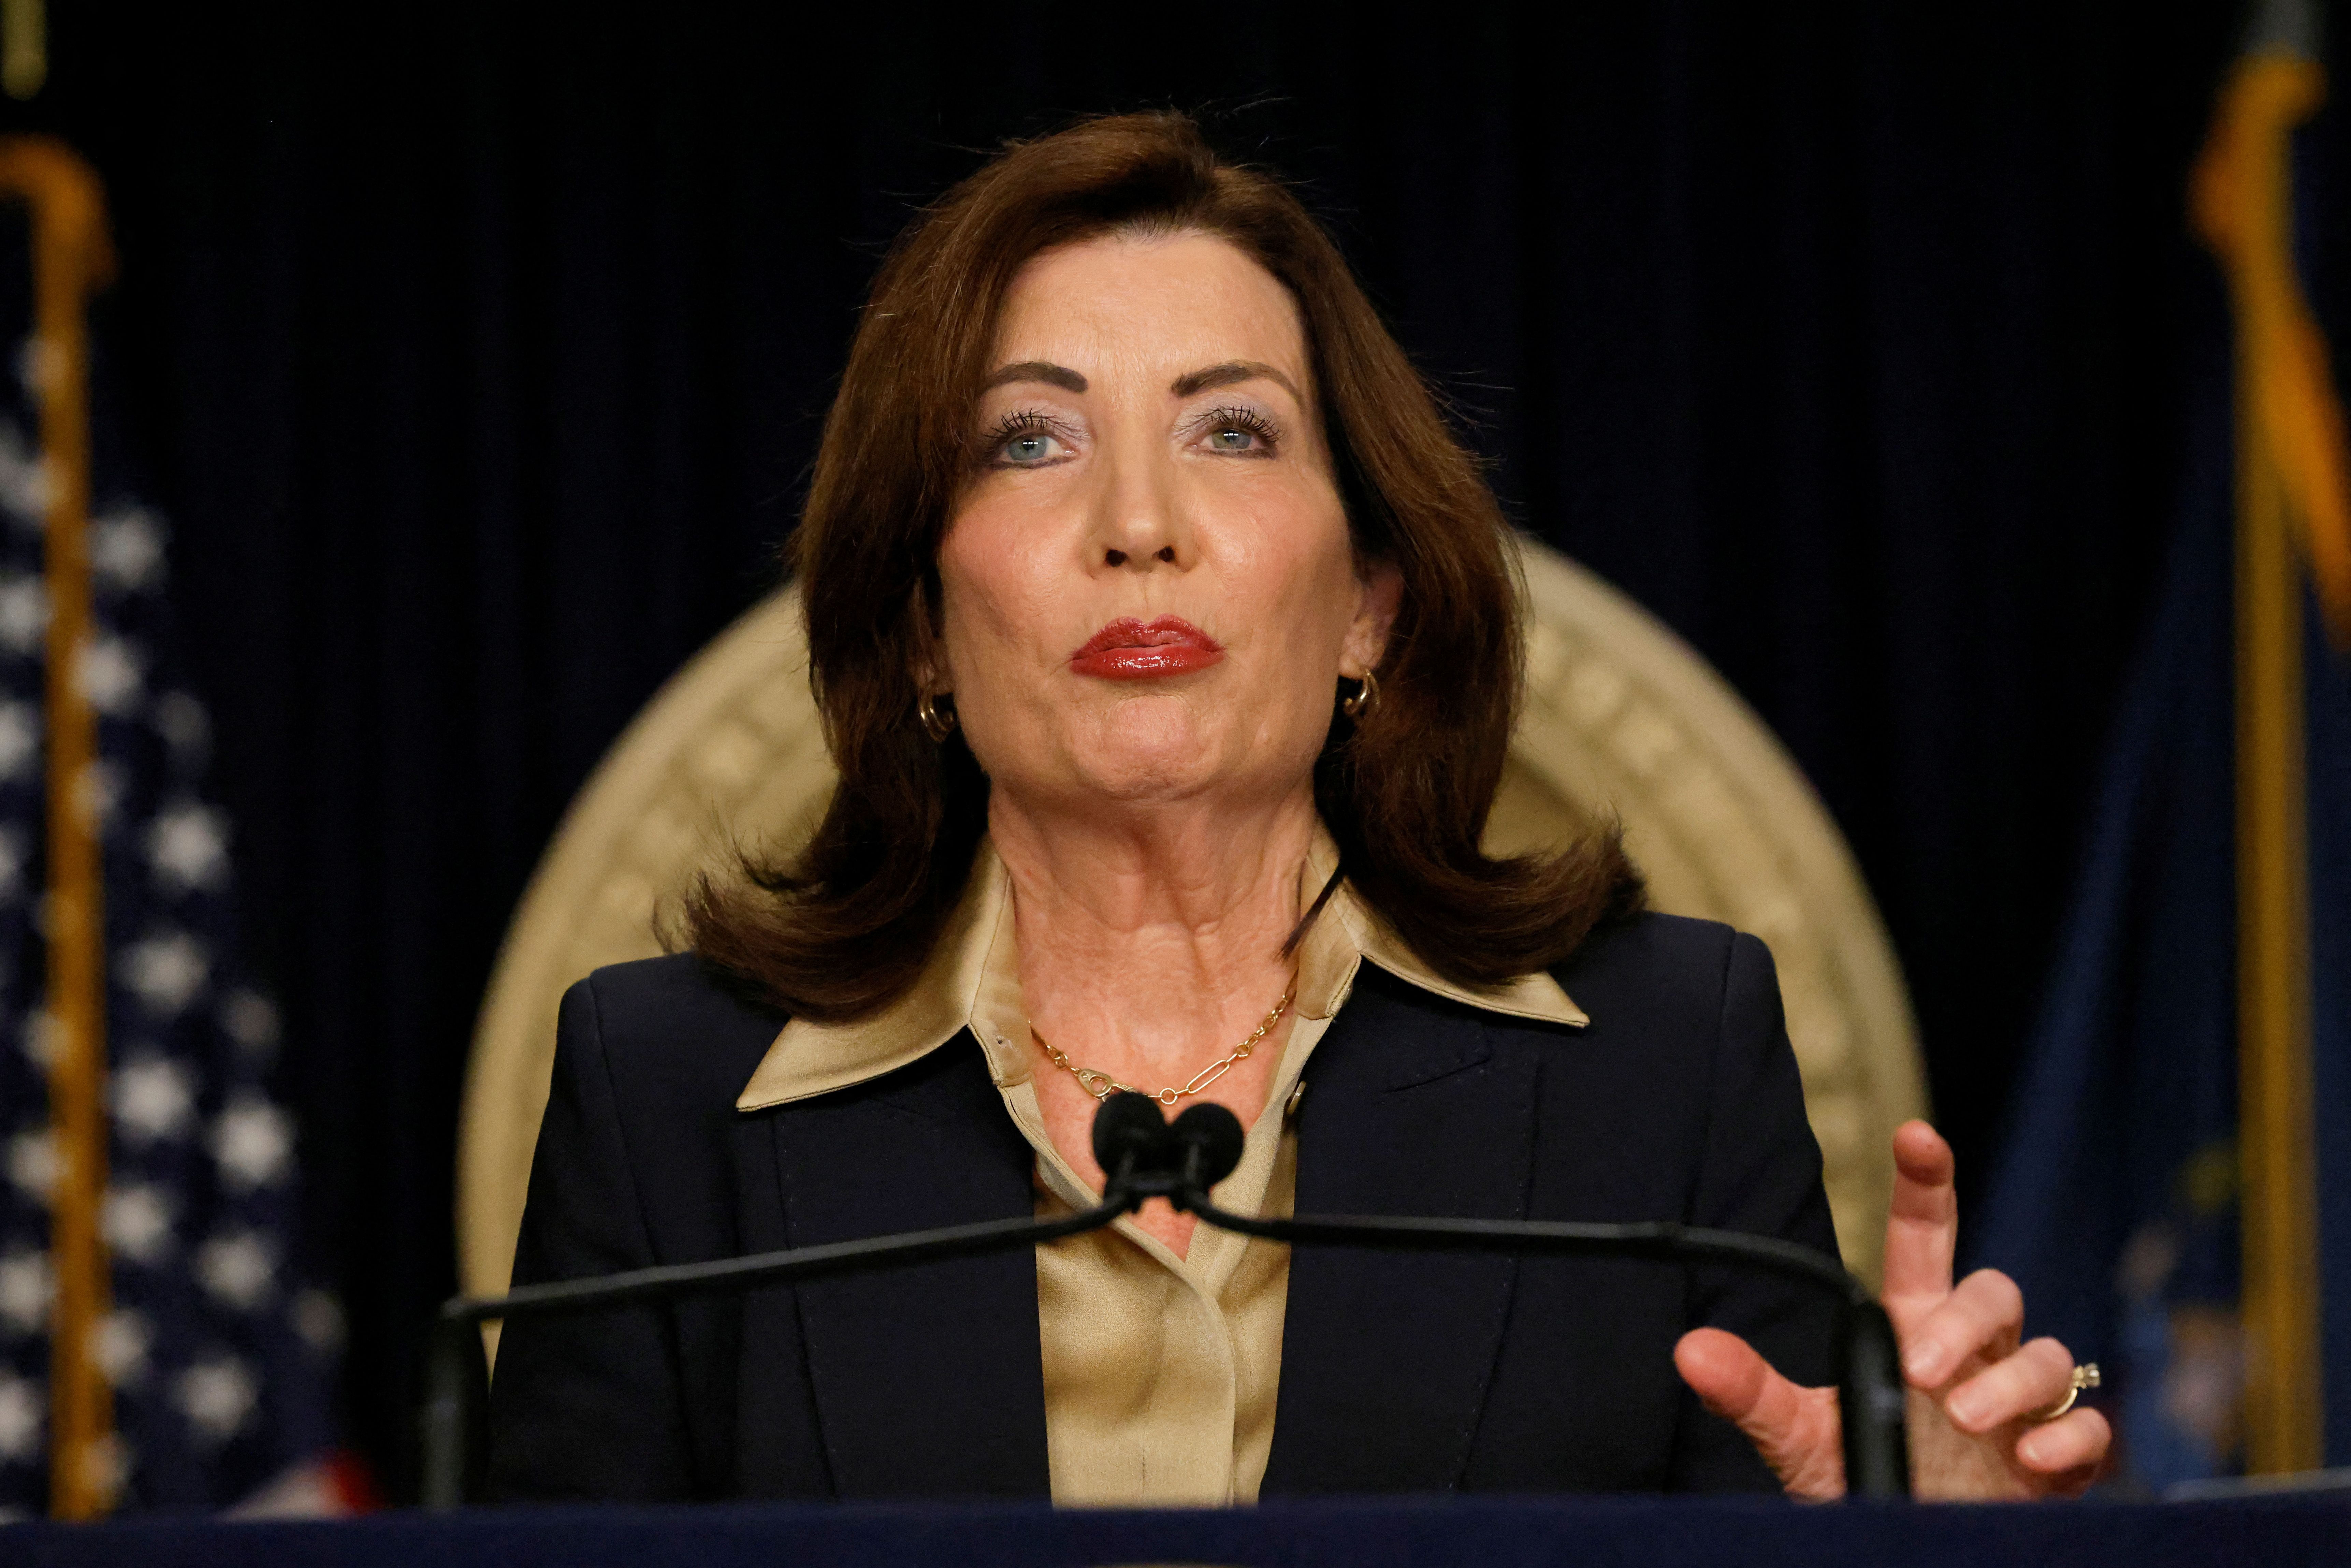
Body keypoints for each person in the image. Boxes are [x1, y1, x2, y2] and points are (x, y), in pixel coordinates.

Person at [485, 112, 2109, 1505]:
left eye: (1232, 430)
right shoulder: (667, 1099)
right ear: (918, 620)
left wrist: (1906, 1541)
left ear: (1368, 608)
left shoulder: (1667, 1066)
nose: (1139, 522)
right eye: (1030, 439)